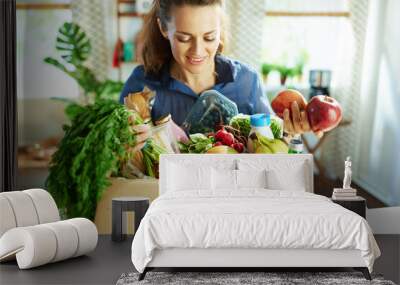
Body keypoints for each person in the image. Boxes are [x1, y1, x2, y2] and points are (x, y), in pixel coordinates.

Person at [120, 0, 314, 150]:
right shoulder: (142, 83)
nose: (198, 50)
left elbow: (275, 152)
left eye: (209, 37)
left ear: (220, 29)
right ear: (163, 28)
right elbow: (121, 161)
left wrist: (289, 133)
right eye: (184, 38)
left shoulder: (247, 81)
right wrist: (126, 147)